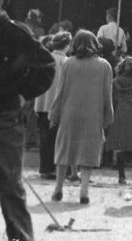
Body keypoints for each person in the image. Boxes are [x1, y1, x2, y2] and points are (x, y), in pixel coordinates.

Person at [0, 0, 55, 241]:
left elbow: (47, 67)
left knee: (10, 188)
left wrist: (25, 94)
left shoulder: (17, 34)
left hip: (4, 120)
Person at [48, 30, 114, 204]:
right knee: (88, 152)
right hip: (93, 115)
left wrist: (54, 115)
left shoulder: (68, 63)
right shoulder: (105, 65)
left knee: (64, 150)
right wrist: (108, 117)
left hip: (69, 114)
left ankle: (58, 188)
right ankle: (84, 190)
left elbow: (60, 92)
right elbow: (107, 95)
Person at [33, 30, 71, 180]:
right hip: (58, 107)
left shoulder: (45, 59)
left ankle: (45, 169)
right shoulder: (66, 62)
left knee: (44, 139)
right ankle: (56, 169)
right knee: (57, 139)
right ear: (66, 45)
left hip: (42, 104)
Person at [107, 56, 132, 185]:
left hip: (120, 112)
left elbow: (112, 99)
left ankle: (121, 176)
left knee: (120, 146)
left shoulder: (115, 82)